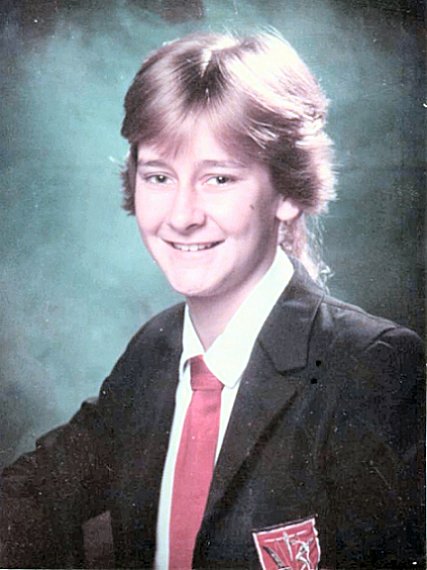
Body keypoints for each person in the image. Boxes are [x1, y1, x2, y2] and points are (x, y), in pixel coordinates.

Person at [0, 31, 424, 570]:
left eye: (218, 178)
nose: (182, 216)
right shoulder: (154, 351)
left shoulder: (371, 367)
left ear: (288, 191)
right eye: (159, 176)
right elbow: (34, 493)